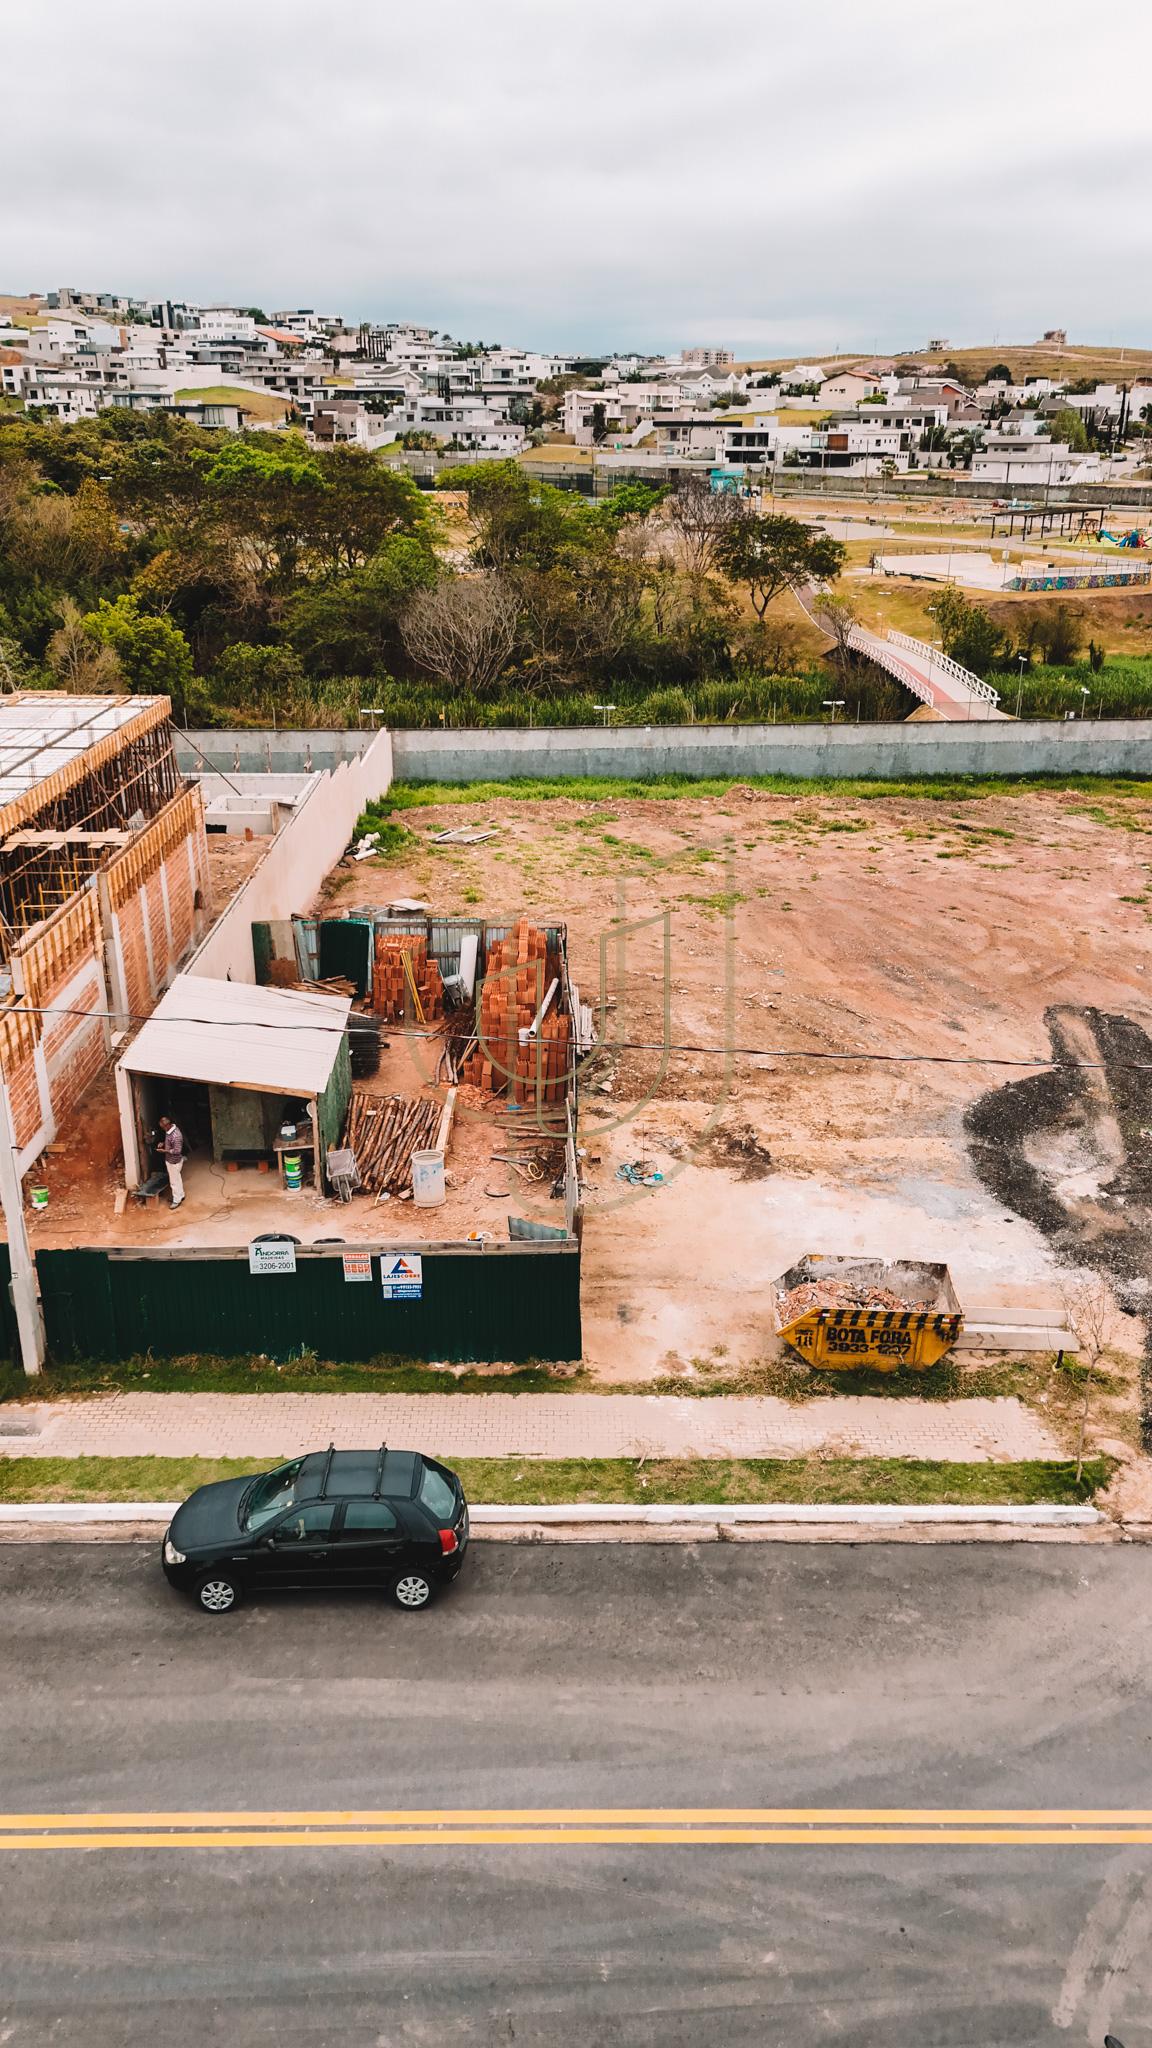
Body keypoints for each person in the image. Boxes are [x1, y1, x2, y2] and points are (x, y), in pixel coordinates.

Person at [156, 1115, 185, 1209]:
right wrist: (163, 1143)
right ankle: (181, 1195)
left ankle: (176, 1200)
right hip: (171, 1160)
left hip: (174, 1162)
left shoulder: (176, 1136)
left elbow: (177, 1151)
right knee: (177, 1179)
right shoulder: (170, 1131)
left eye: (163, 1127)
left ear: (167, 1125)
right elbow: (169, 1141)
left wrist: (164, 1151)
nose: (163, 1129)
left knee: (173, 1182)